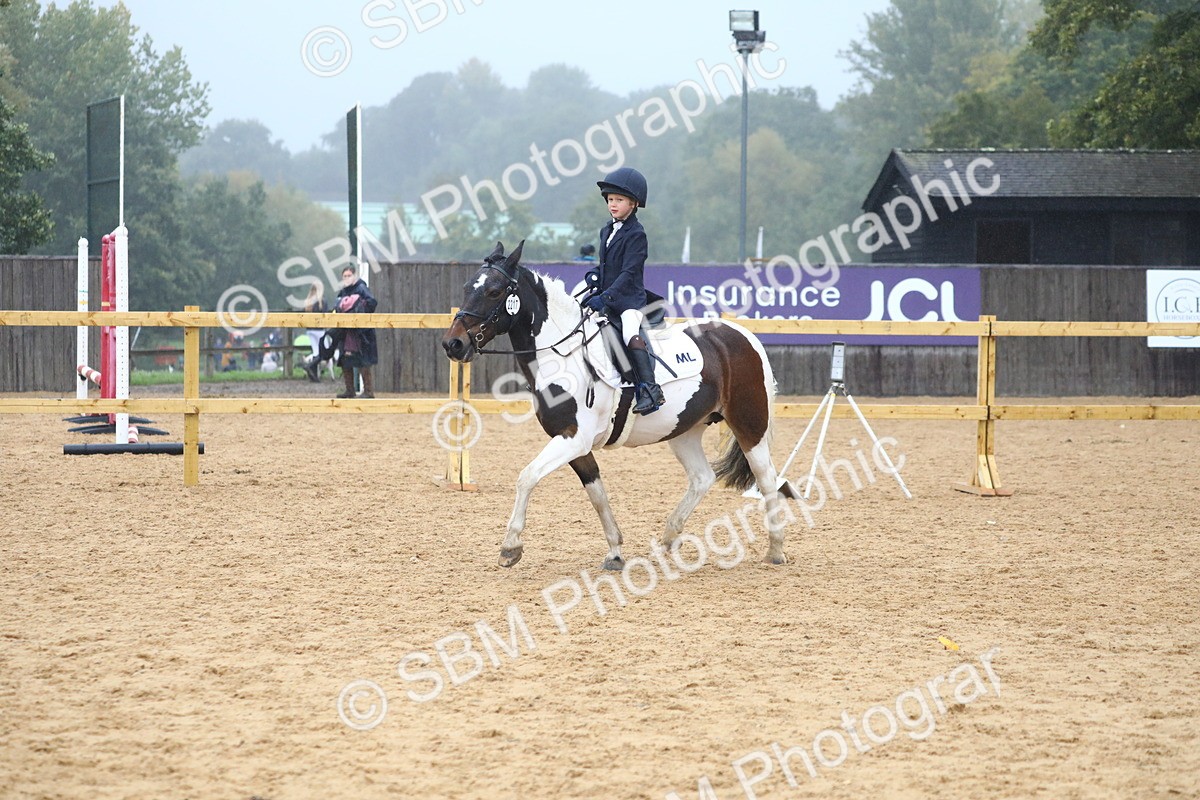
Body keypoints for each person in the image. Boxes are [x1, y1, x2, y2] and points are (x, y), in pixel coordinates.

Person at [583, 166, 665, 415]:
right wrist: (596, 275)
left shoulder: (637, 234)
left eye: (619, 200)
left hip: (630, 301)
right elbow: (608, 265)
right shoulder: (606, 230)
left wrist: (605, 297)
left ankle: (650, 390)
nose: (613, 204)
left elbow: (629, 273)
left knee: (630, 332)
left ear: (634, 203)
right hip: (608, 299)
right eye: (610, 200)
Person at [333, 264, 378, 398]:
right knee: (345, 361)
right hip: (347, 332)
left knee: (363, 361)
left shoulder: (361, 288)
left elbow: (372, 302)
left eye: (349, 275)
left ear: (354, 276)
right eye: (344, 276)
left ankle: (368, 392)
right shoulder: (343, 292)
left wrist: (358, 308)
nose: (346, 278)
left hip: (361, 332)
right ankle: (350, 390)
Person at [299, 281, 330, 383]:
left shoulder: (308, 302)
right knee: (324, 353)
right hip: (319, 330)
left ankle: (314, 376)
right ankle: (310, 365)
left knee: (316, 352)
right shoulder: (322, 301)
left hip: (310, 330)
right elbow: (325, 315)